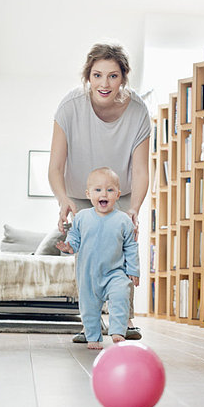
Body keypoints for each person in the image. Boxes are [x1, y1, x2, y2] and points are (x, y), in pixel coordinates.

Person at [48, 42, 150, 342]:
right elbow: (55, 166)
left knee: (123, 248)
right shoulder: (70, 107)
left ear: (124, 78)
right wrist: (63, 200)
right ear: (88, 77)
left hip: (122, 190)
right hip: (80, 191)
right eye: (97, 75)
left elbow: (142, 169)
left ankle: (125, 321)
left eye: (113, 76)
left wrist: (135, 209)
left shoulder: (138, 111)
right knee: (87, 256)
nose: (104, 84)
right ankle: (90, 325)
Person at [56, 167, 139, 350]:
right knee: (89, 308)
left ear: (117, 195)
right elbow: (74, 239)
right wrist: (68, 246)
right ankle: (93, 336)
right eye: (98, 190)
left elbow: (131, 246)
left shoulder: (123, 220)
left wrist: (133, 270)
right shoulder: (81, 218)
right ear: (89, 194)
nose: (104, 194)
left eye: (110, 190)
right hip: (88, 275)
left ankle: (118, 330)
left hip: (115, 272)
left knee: (121, 295)